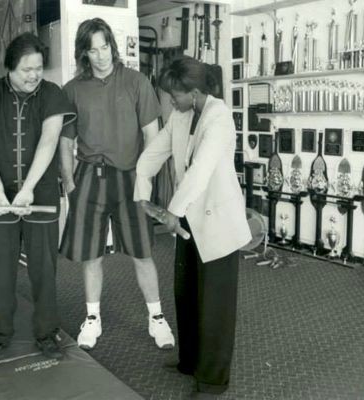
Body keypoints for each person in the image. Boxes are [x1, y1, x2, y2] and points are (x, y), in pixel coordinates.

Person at [133, 57, 252, 399]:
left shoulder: (220, 118)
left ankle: (213, 381)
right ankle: (189, 361)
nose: (170, 100)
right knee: (186, 294)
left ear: (196, 92)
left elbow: (200, 171)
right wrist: (142, 191)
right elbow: (154, 154)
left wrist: (171, 211)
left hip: (218, 221)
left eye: (175, 94)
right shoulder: (180, 115)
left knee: (215, 304)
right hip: (189, 218)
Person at [0, 32, 76, 365]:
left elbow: (49, 141)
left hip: (39, 193)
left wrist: (27, 190)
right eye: (26, 69)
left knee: (43, 268)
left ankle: (46, 331)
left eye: (38, 68)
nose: (33, 75)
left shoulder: (52, 94)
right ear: (9, 67)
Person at [59, 17, 175, 351]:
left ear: (113, 45)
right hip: (89, 178)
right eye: (92, 50)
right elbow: (65, 142)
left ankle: (156, 319)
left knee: (142, 252)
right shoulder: (73, 90)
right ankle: (92, 318)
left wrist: (147, 182)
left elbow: (152, 137)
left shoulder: (137, 82)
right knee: (90, 255)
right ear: (84, 53)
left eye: (104, 47)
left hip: (131, 178)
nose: (100, 56)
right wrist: (69, 184)